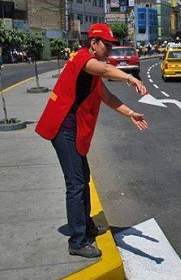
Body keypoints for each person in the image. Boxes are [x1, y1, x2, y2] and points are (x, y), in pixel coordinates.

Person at [35, 23, 148, 258]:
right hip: (63, 127)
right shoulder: (83, 59)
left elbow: (106, 96)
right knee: (75, 183)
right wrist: (130, 78)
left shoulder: (92, 69)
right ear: (93, 43)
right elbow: (106, 70)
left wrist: (130, 113)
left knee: (82, 179)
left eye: (110, 46)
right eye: (105, 45)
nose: (108, 50)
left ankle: (86, 227)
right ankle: (77, 242)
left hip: (73, 129)